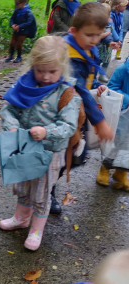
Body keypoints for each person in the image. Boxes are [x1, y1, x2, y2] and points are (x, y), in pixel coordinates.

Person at [0, 36, 79, 251]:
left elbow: (69, 125)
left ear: (62, 68)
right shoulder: (25, 84)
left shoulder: (66, 93)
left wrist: (47, 131)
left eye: (52, 71)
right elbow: (8, 109)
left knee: (42, 192)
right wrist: (12, 125)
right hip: (24, 148)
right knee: (23, 185)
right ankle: (21, 217)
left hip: (49, 152)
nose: (45, 77)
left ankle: (37, 229)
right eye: (40, 70)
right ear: (32, 65)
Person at [50, 2, 114, 215]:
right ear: (73, 30)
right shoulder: (68, 54)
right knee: (67, 153)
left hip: (77, 112)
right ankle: (46, 190)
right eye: (89, 35)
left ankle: (48, 183)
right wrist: (100, 121)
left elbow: (86, 82)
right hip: (61, 113)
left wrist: (96, 84)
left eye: (98, 35)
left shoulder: (87, 47)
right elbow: (78, 88)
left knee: (77, 154)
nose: (95, 40)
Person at [96, 58, 129, 190]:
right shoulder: (122, 70)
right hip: (121, 116)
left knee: (127, 148)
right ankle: (104, 170)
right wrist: (127, 99)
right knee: (115, 143)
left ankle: (121, 173)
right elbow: (112, 88)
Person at [97, 2, 122, 82]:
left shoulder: (108, 25)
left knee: (106, 62)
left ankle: (102, 75)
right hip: (98, 49)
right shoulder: (96, 25)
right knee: (96, 62)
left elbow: (109, 35)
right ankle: (93, 77)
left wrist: (112, 41)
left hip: (107, 49)